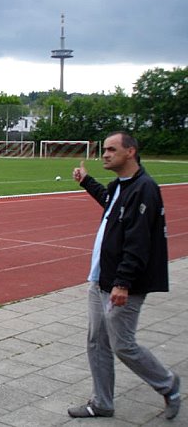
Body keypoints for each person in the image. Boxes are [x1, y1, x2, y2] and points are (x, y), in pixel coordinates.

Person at [68, 132, 181, 420]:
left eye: (111, 149)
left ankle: (168, 384)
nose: (105, 154)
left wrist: (122, 283)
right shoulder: (121, 186)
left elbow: (138, 243)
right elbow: (109, 202)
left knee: (123, 344)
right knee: (96, 342)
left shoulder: (144, 189)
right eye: (104, 149)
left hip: (121, 284)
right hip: (101, 278)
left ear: (130, 152)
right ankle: (102, 402)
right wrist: (86, 181)